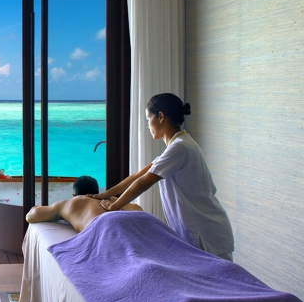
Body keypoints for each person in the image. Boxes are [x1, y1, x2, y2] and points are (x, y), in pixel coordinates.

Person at [93, 93, 235, 260]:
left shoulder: (180, 148)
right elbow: (138, 175)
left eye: (148, 118)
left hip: (206, 232)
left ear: (161, 116)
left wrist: (114, 206)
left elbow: (143, 183)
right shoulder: (177, 146)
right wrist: (105, 194)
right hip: (201, 231)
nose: (148, 124)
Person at [26, 176, 142, 233]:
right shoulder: (114, 200)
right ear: (98, 192)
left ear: (74, 195)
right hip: (134, 224)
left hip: (105, 228)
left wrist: (36, 207)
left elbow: (31, 216)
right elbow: (139, 209)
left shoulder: (70, 203)